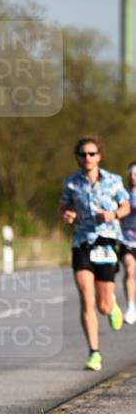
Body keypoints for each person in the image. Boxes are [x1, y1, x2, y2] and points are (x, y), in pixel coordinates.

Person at [59, 135, 130, 371]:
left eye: (91, 153)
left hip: (107, 243)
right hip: (82, 243)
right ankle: (94, 352)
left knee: (102, 305)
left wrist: (114, 215)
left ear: (99, 156)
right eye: (83, 154)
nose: (87, 158)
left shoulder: (113, 180)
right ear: (78, 158)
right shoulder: (71, 183)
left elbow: (126, 205)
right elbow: (64, 206)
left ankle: (112, 306)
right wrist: (67, 214)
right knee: (85, 297)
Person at [119, 161, 136, 325]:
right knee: (130, 270)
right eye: (130, 174)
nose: (133, 177)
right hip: (127, 240)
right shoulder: (122, 195)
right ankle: (131, 307)